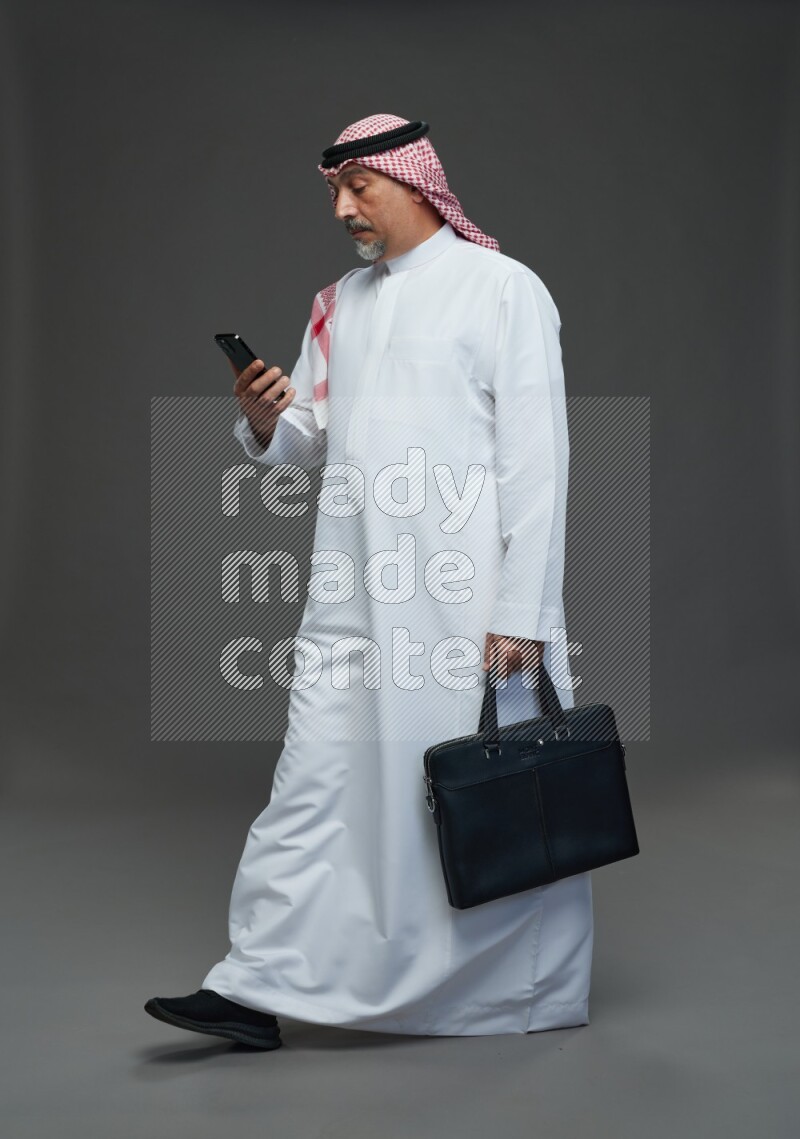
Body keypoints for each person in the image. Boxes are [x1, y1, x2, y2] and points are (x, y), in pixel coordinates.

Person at [145, 114, 593, 1050]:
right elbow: (307, 441)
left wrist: (523, 611)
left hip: (466, 601)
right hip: (349, 588)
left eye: (360, 187)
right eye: (334, 192)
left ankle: (515, 991)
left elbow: (539, 462)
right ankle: (253, 986)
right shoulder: (338, 302)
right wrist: (264, 418)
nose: (344, 208)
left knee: (477, 790)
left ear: (416, 181)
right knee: (311, 780)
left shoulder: (503, 289)